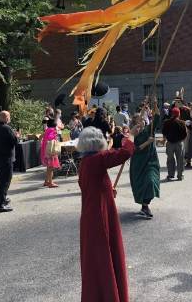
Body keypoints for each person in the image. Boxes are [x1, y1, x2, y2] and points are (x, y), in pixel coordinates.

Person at [78, 127, 135, 302]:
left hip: (90, 215)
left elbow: (93, 186)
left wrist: (108, 190)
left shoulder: (85, 162)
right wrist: (130, 137)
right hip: (100, 215)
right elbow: (125, 153)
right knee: (105, 256)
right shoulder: (98, 159)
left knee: (95, 259)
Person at [129, 99, 160, 219]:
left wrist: (155, 104)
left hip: (151, 161)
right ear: (135, 122)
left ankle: (145, 205)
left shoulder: (149, 129)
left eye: (142, 120)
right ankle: (145, 206)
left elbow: (156, 116)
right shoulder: (132, 134)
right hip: (138, 163)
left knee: (151, 182)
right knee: (142, 185)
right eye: (139, 120)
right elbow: (134, 150)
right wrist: (148, 142)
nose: (142, 121)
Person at [0, 111, 18, 212]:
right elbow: (14, 142)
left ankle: (3, 199)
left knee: (1, 180)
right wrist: (17, 136)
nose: (9, 118)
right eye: (9, 117)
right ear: (6, 118)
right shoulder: (7, 128)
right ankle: (0, 205)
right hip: (6, 158)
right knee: (5, 181)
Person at [163, 107, 187, 181]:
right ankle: (180, 175)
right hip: (179, 143)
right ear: (179, 114)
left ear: (172, 114)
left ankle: (170, 175)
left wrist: (165, 140)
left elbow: (164, 133)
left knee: (170, 159)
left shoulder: (166, 122)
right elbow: (185, 134)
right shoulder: (182, 123)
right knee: (180, 160)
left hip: (170, 143)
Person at [40, 118, 60, 188]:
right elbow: (50, 138)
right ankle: (50, 182)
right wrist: (55, 135)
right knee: (50, 167)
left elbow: (41, 137)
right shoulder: (52, 130)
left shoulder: (47, 130)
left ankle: (46, 181)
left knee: (49, 167)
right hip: (50, 151)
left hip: (46, 150)